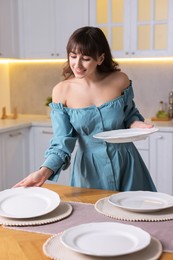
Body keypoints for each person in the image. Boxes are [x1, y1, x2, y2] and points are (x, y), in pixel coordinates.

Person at [14, 26, 156, 191]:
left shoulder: (120, 80)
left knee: (137, 213)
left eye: (86, 58)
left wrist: (138, 124)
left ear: (100, 58)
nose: (77, 64)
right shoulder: (61, 91)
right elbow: (61, 142)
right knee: (92, 215)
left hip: (127, 162)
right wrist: (44, 172)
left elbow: (130, 116)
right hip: (89, 170)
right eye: (73, 56)